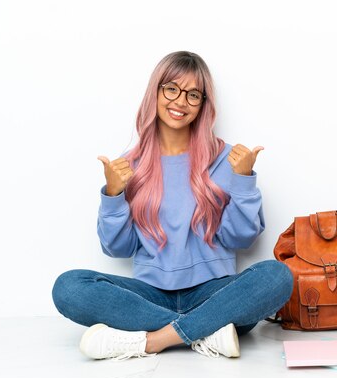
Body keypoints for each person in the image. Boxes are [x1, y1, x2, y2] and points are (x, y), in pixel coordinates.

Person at [51, 51, 293, 361]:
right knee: (68, 287)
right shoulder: (128, 166)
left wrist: (243, 181)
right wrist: (113, 194)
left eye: (193, 95)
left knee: (277, 276)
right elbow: (118, 249)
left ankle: (153, 341)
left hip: (214, 294)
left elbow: (241, 240)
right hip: (151, 299)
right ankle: (205, 332)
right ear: (156, 91)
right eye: (171, 89)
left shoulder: (229, 159)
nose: (180, 101)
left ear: (203, 104)